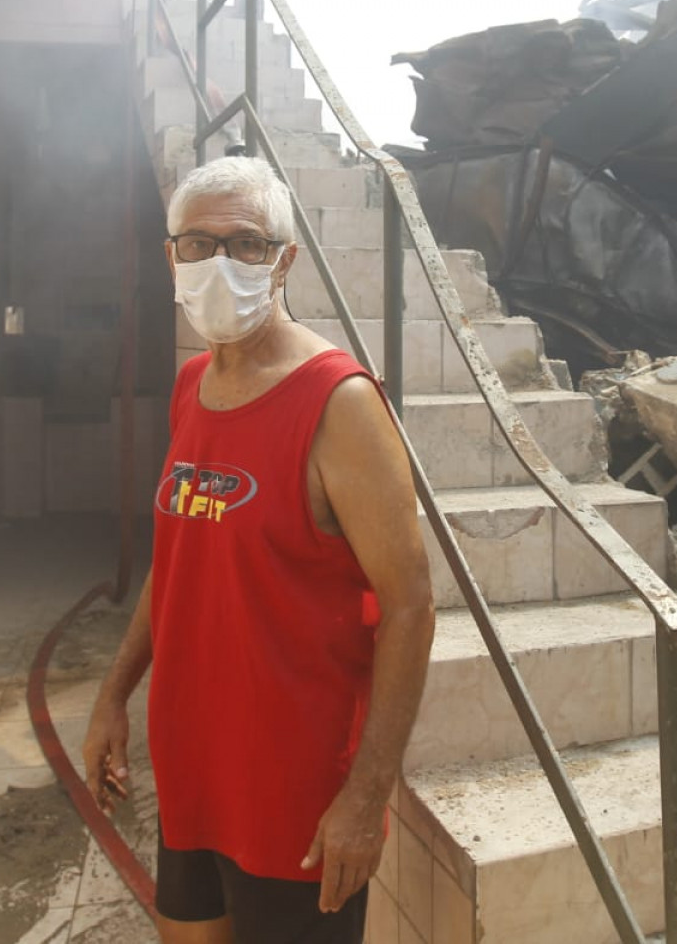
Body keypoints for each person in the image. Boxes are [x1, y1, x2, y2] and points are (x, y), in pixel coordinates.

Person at [81, 156, 435, 944]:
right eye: (197, 245)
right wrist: (114, 694)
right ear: (170, 255)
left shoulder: (337, 402)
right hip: (192, 765)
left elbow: (411, 604)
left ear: (285, 260)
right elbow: (175, 565)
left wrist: (366, 793)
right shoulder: (192, 385)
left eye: (245, 244)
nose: (219, 263)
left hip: (294, 793)